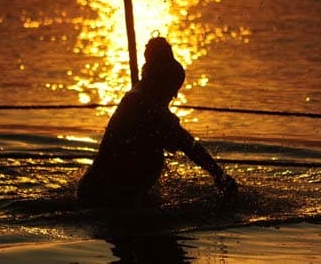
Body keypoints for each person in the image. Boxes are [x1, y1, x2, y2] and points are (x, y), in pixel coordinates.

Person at [77, 36, 237, 207]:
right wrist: (219, 175)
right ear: (161, 84)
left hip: (105, 192)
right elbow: (188, 144)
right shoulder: (146, 106)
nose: (173, 97)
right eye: (172, 91)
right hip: (108, 196)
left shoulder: (137, 95)